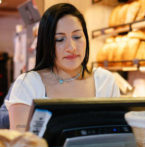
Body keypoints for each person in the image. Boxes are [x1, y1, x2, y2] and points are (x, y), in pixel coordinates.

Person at [5, 3, 120, 132]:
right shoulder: (28, 84)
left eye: (77, 37)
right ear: (46, 43)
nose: (71, 48)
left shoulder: (106, 81)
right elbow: (19, 144)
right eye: (59, 39)